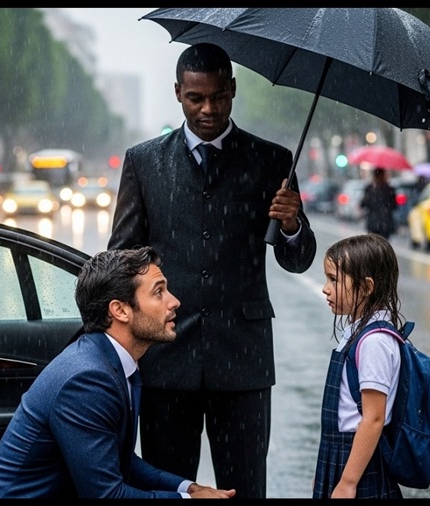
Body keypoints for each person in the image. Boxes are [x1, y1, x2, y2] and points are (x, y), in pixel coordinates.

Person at [107, 42, 317, 499]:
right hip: (166, 357)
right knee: (168, 487)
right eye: (196, 98)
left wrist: (292, 224)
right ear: (178, 92)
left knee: (245, 488)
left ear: (233, 90)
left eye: (219, 97)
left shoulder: (274, 162)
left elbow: (298, 259)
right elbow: (121, 256)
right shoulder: (144, 162)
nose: (208, 109)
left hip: (243, 360)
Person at [0, 246, 236, 499]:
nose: (174, 301)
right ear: (120, 310)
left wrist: (188, 488)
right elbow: (106, 494)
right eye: (159, 292)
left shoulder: (112, 361)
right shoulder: (87, 379)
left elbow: (119, 459)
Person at [313, 233, 404, 499]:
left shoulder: (374, 341)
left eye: (333, 280)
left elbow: (374, 418)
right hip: (341, 453)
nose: (325, 288)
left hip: (358, 460)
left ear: (366, 287)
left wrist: (348, 482)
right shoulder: (357, 332)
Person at [360, 167, 398, 239]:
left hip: (373, 222)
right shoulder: (389, 189)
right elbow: (394, 206)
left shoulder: (370, 188)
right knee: (383, 246)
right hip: (385, 222)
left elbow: (363, 203)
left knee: (374, 246)